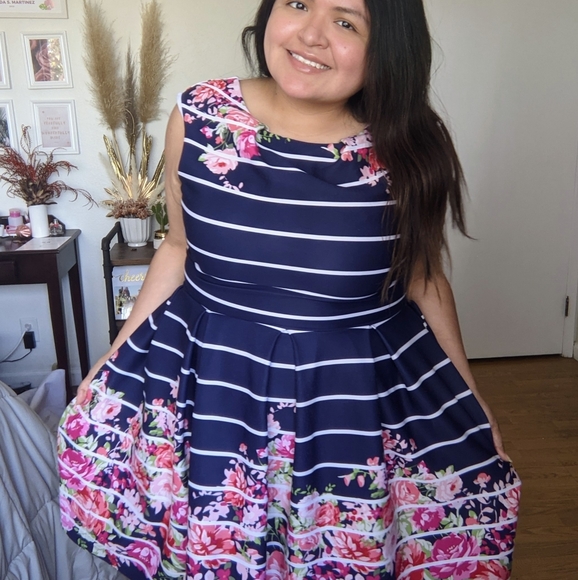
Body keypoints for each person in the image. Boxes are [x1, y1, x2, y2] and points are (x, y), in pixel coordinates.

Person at [58, 1, 521, 579]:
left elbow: (424, 276)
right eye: (298, 3)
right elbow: (176, 248)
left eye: (346, 22)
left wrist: (470, 397)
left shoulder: (410, 141)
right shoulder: (199, 116)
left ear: (389, 47)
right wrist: (115, 355)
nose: (311, 34)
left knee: (336, 549)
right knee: (221, 544)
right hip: (211, 389)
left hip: (351, 403)